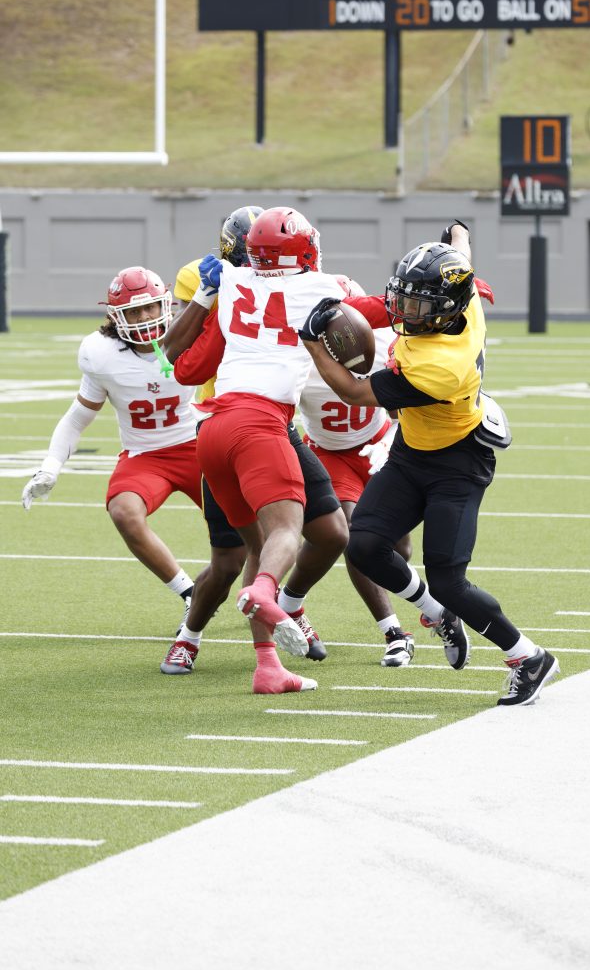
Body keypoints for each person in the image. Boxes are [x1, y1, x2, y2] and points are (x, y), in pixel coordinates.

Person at [299, 223, 560, 707]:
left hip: (458, 463)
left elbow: (353, 391)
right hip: (412, 450)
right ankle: (436, 612)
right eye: (405, 299)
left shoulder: (440, 366)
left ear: (445, 309)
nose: (403, 311)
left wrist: (313, 340)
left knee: (448, 580)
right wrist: (457, 233)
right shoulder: (464, 297)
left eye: (417, 305)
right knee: (365, 545)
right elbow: (456, 252)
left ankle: (527, 656)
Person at [159, 206, 363, 695]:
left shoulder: (249, 284)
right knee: (239, 558)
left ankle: (284, 613)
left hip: (264, 427)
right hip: (238, 423)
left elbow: (177, 363)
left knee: (330, 531)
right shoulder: (238, 285)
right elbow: (180, 364)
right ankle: (195, 634)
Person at [21, 266, 202, 625]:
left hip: (198, 444)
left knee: (248, 521)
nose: (145, 317)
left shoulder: (193, 334)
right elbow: (78, 417)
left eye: (150, 307)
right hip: (144, 454)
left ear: (165, 304)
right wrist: (51, 466)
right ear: (116, 317)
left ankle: (266, 592)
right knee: (123, 512)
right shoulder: (101, 354)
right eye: (134, 311)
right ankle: (190, 594)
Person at [297, 303, 417, 668]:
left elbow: (401, 407)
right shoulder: (300, 360)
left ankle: (290, 595)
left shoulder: (382, 345)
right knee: (356, 536)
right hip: (328, 455)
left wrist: (392, 437)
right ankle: (394, 633)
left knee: (400, 550)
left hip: (377, 448)